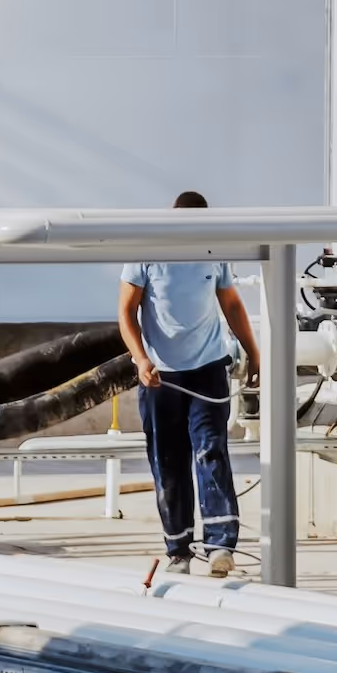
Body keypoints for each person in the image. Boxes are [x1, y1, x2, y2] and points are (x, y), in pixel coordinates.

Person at [120, 195, 261, 579]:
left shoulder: (214, 252)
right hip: (161, 375)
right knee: (168, 461)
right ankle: (178, 549)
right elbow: (126, 311)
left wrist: (254, 353)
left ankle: (220, 546)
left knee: (211, 451)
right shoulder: (147, 253)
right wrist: (140, 359)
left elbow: (231, 305)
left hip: (207, 368)